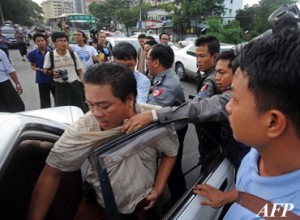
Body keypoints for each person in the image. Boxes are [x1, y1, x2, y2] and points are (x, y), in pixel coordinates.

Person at [28, 62, 179, 220]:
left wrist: (158, 187)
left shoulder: (153, 118)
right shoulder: (85, 129)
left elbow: (171, 151)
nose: (96, 113)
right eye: (90, 105)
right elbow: (51, 174)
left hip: (144, 205)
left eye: (104, 106)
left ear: (129, 99)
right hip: (101, 207)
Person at [193, 29, 300, 219]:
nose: (228, 106)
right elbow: (252, 189)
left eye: (235, 99)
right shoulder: (258, 154)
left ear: (273, 122)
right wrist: (229, 196)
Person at [146, 43, 187, 205]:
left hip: (175, 128)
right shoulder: (164, 77)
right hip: (171, 125)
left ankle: (179, 199)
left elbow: (149, 111)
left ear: (156, 62)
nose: (146, 62)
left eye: (148, 58)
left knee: (173, 166)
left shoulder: (168, 84)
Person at [43, 32, 87, 112]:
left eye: (65, 40)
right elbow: (45, 70)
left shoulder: (73, 54)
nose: (63, 43)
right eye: (60, 40)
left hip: (74, 85)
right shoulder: (50, 55)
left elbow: (80, 70)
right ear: (54, 43)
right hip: (60, 87)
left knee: (79, 109)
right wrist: (52, 73)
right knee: (62, 110)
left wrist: (85, 85)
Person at [28, 33, 55, 108]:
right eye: (38, 41)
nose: (40, 42)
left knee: (57, 98)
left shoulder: (52, 52)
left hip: (53, 78)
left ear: (45, 41)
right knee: (44, 100)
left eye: (42, 40)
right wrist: (36, 69)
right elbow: (32, 65)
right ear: (35, 42)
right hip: (42, 79)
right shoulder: (32, 54)